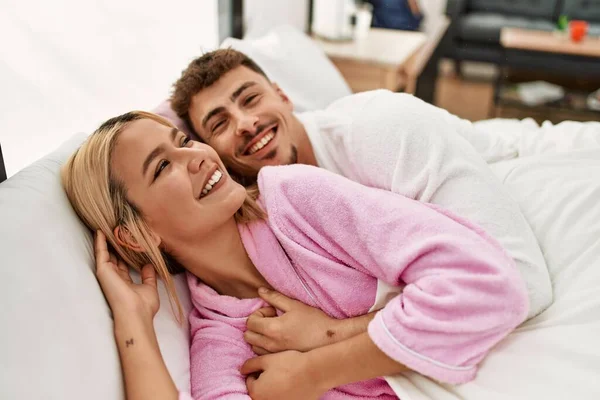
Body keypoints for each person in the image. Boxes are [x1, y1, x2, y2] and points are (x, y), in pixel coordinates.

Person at [62, 111, 528, 400]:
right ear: (139, 237)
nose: (198, 157)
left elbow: (487, 286)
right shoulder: (219, 342)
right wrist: (133, 325)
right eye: (163, 166)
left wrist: (318, 362)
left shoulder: (297, 197)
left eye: (184, 142)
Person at [169, 49, 551, 323]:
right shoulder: (264, 211)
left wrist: (331, 339)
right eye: (219, 124)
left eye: (250, 99)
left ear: (283, 96)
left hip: (523, 181)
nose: (246, 124)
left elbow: (519, 284)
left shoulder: (378, 130)